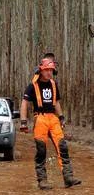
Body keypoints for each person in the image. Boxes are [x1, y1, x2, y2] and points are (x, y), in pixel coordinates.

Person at [20, 58, 81, 190]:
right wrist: (23, 121)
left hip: (53, 118)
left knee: (63, 147)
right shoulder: (32, 85)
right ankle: (42, 180)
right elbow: (24, 103)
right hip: (40, 118)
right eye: (46, 70)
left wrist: (61, 117)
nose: (49, 73)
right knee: (41, 150)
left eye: (51, 70)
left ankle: (68, 177)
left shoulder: (53, 84)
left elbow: (56, 102)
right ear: (41, 70)